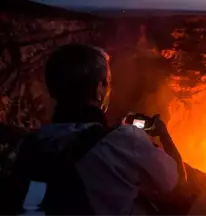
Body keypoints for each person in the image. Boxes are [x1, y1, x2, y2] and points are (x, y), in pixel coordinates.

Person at [3, 44, 186, 216]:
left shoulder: (32, 145)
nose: (109, 90)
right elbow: (177, 183)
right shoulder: (126, 141)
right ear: (99, 88)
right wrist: (163, 133)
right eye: (107, 82)